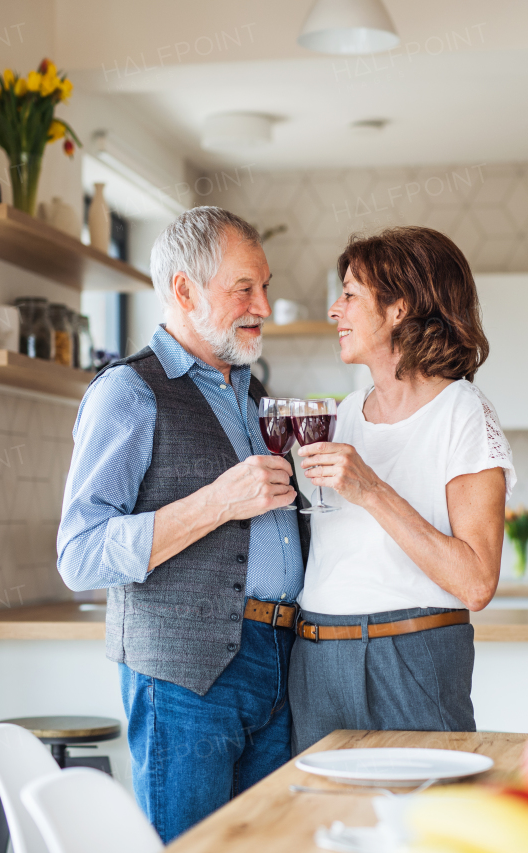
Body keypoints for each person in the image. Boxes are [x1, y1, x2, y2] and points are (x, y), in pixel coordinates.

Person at [56, 207, 309, 843]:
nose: (263, 305)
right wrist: (216, 502)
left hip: (278, 662)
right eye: (244, 288)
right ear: (184, 291)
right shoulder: (128, 393)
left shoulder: (252, 397)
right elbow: (80, 553)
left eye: (266, 287)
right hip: (184, 679)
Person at [289, 226, 514, 753]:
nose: (334, 309)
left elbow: (476, 583)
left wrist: (372, 490)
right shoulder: (342, 414)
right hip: (317, 660)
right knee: (318, 828)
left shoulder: (464, 412)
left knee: (422, 825)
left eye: (350, 293)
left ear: (398, 308)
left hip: (410, 656)